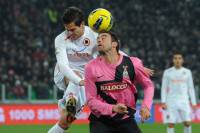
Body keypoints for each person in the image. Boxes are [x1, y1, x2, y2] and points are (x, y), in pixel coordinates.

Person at [48, 6, 154, 133]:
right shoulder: (60, 39)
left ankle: (71, 105)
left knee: (66, 121)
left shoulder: (94, 35)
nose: (69, 33)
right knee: (76, 74)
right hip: (65, 74)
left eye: (72, 30)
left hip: (86, 78)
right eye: (66, 30)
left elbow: (114, 50)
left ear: (82, 25)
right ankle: (71, 98)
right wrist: (79, 81)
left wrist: (136, 65)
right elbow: (63, 65)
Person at [85, 31, 154, 133]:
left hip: (126, 119)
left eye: (103, 37)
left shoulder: (133, 63)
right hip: (101, 121)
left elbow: (148, 85)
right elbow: (91, 100)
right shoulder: (91, 67)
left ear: (114, 44)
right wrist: (112, 108)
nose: (99, 39)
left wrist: (146, 107)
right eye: (98, 38)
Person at [161, 52, 197, 133]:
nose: (177, 60)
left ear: (182, 60)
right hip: (171, 101)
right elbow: (164, 88)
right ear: (173, 60)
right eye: (175, 58)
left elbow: (191, 88)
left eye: (179, 58)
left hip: (184, 100)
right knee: (171, 123)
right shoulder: (167, 72)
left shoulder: (187, 72)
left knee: (187, 123)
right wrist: (163, 101)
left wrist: (194, 103)